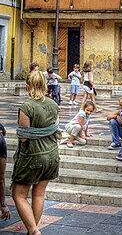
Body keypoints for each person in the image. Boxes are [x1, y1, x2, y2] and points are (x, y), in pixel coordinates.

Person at [13, 71, 59, 234]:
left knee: (19, 194)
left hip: (33, 157)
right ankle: (32, 229)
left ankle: (33, 230)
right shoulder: (53, 104)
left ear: (28, 86)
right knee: (39, 194)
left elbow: (24, 137)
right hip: (52, 155)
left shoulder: (27, 107)